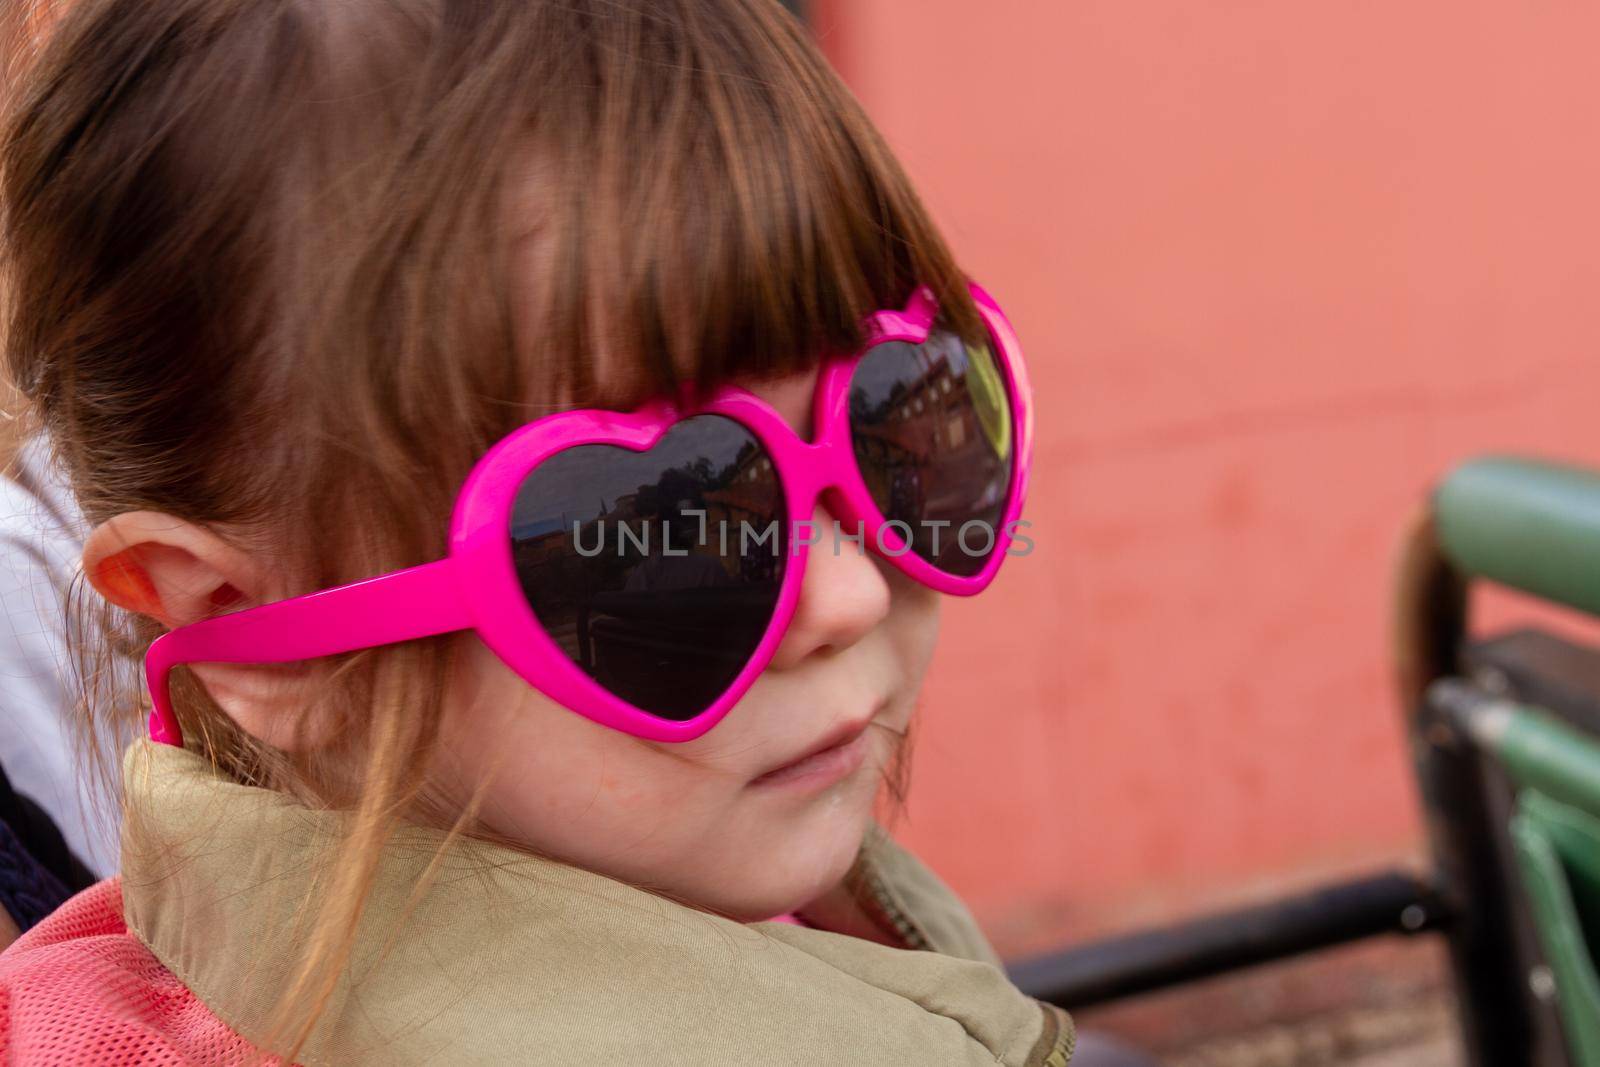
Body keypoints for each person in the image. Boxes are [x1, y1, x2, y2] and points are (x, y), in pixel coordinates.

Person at [0, 1, 1127, 1063]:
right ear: (253, 624)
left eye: (900, 402)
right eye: (662, 521)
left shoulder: (707, 874)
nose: (849, 595)